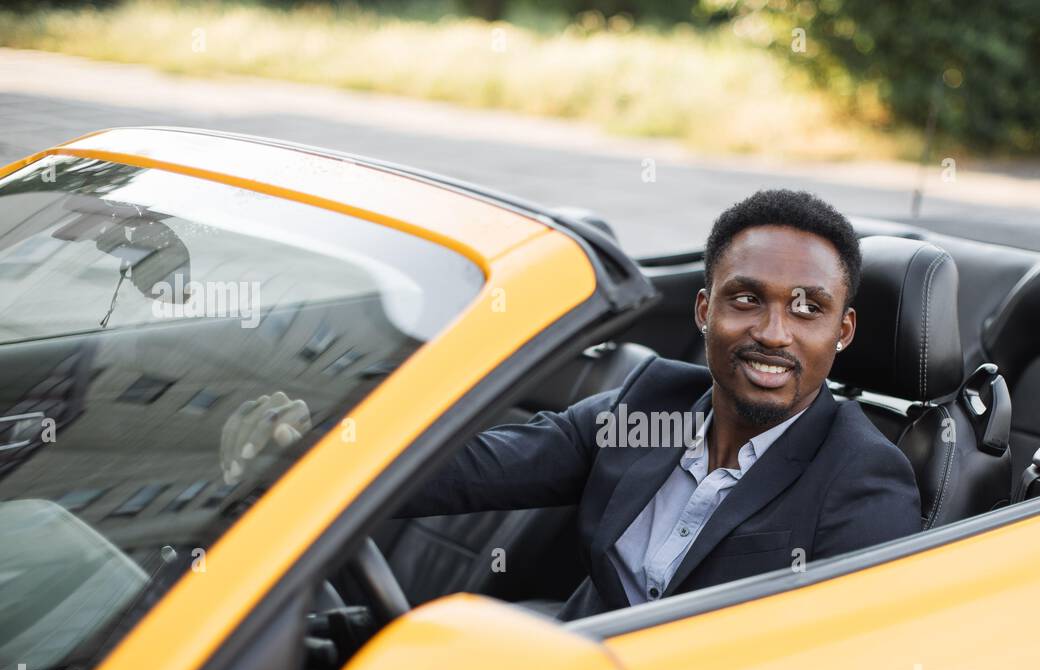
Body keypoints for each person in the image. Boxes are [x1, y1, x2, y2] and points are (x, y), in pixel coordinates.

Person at [223, 189, 922, 620]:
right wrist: (316, 448)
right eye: (748, 300)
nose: (774, 332)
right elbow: (469, 466)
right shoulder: (655, 402)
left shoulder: (865, 478)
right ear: (705, 310)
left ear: (843, 331)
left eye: (808, 310)